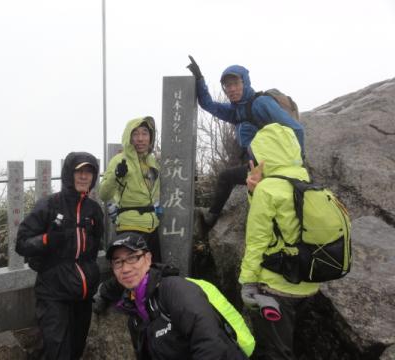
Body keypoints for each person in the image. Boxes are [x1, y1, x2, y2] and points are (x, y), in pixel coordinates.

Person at [187, 56, 305, 228]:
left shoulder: (261, 103)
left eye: (236, 83)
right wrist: (199, 78)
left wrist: (300, 162)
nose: (232, 89)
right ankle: (211, 220)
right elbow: (208, 105)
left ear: (245, 82)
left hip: (272, 165)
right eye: (228, 86)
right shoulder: (236, 111)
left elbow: (296, 129)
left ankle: (210, 221)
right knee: (231, 180)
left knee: (226, 177)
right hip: (255, 164)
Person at [239, 123, 319, 360]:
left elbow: (257, 241)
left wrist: (247, 282)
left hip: (276, 287)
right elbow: (283, 226)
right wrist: (254, 191)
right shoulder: (307, 181)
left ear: (264, 156)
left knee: (276, 353)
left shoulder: (268, 190)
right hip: (308, 283)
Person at [104, 232, 250, 360]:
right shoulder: (134, 313)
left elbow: (211, 343)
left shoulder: (174, 290)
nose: (126, 268)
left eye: (132, 258)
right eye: (118, 262)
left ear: (148, 259)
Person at [15, 152, 104, 360]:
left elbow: (95, 246)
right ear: (68, 174)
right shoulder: (49, 205)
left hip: (82, 295)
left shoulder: (94, 210)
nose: (84, 176)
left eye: (89, 172)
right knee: (57, 352)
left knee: (75, 350)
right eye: (79, 171)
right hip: (53, 293)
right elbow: (21, 243)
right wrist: (46, 240)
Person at [99, 116, 161, 262]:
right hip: (129, 227)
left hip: (152, 227)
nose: (140, 138)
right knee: (132, 275)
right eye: (135, 134)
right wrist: (116, 176)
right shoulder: (119, 160)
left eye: (145, 133)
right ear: (129, 137)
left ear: (150, 137)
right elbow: (103, 194)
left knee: (153, 273)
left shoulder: (152, 161)